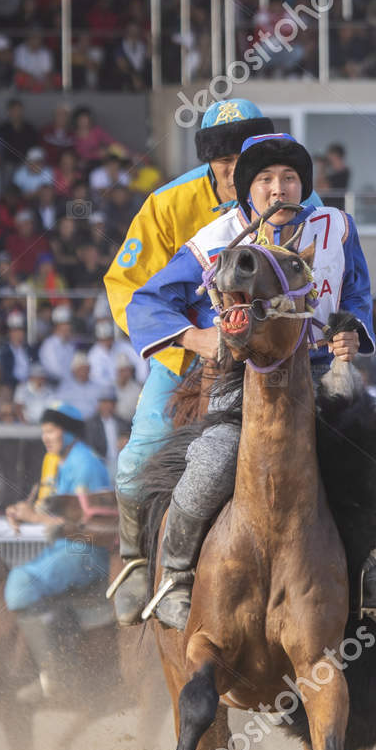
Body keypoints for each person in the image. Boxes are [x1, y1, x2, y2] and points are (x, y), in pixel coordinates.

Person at [126, 132, 376, 629]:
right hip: (246, 379)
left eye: (289, 178)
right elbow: (145, 301)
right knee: (214, 458)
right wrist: (198, 339)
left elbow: (355, 292)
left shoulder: (337, 227)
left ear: (303, 186)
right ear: (248, 191)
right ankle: (176, 577)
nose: (279, 189)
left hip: (322, 377)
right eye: (266, 180)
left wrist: (351, 330)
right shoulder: (215, 241)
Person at [102, 99, 288, 623]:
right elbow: (126, 287)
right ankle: (137, 559)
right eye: (223, 163)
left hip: (277, 352)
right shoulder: (165, 205)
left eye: (243, 159)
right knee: (139, 457)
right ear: (209, 162)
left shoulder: (296, 200)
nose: (235, 172)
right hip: (189, 350)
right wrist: (190, 341)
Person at [1, 403, 112, 687]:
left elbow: (85, 525)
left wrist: (32, 516)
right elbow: (57, 517)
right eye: (44, 432)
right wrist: (23, 514)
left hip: (85, 551)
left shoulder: (83, 464)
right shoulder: (70, 461)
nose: (45, 437)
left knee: (19, 583)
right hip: (71, 548)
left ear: (69, 432)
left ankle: (56, 674)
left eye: (51, 431)